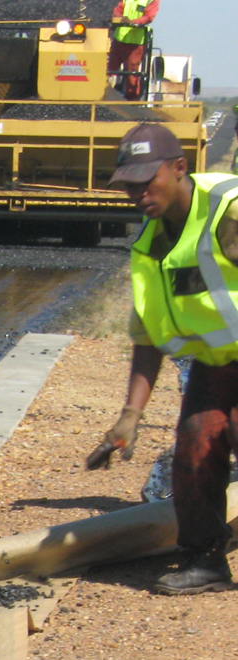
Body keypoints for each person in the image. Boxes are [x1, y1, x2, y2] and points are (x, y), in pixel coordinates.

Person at [85, 122, 238, 595]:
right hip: (219, 362)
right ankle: (207, 559)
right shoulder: (150, 244)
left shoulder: (227, 214)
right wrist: (129, 417)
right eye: (129, 185)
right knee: (194, 446)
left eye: (146, 180)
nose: (137, 193)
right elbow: (148, 335)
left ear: (179, 168)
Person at [109, 0, 160, 101]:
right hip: (119, 38)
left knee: (132, 73)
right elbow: (117, 10)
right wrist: (119, 18)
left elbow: (149, 17)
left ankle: (131, 101)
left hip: (136, 42)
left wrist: (132, 22)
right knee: (109, 70)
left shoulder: (151, 1)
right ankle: (103, 94)